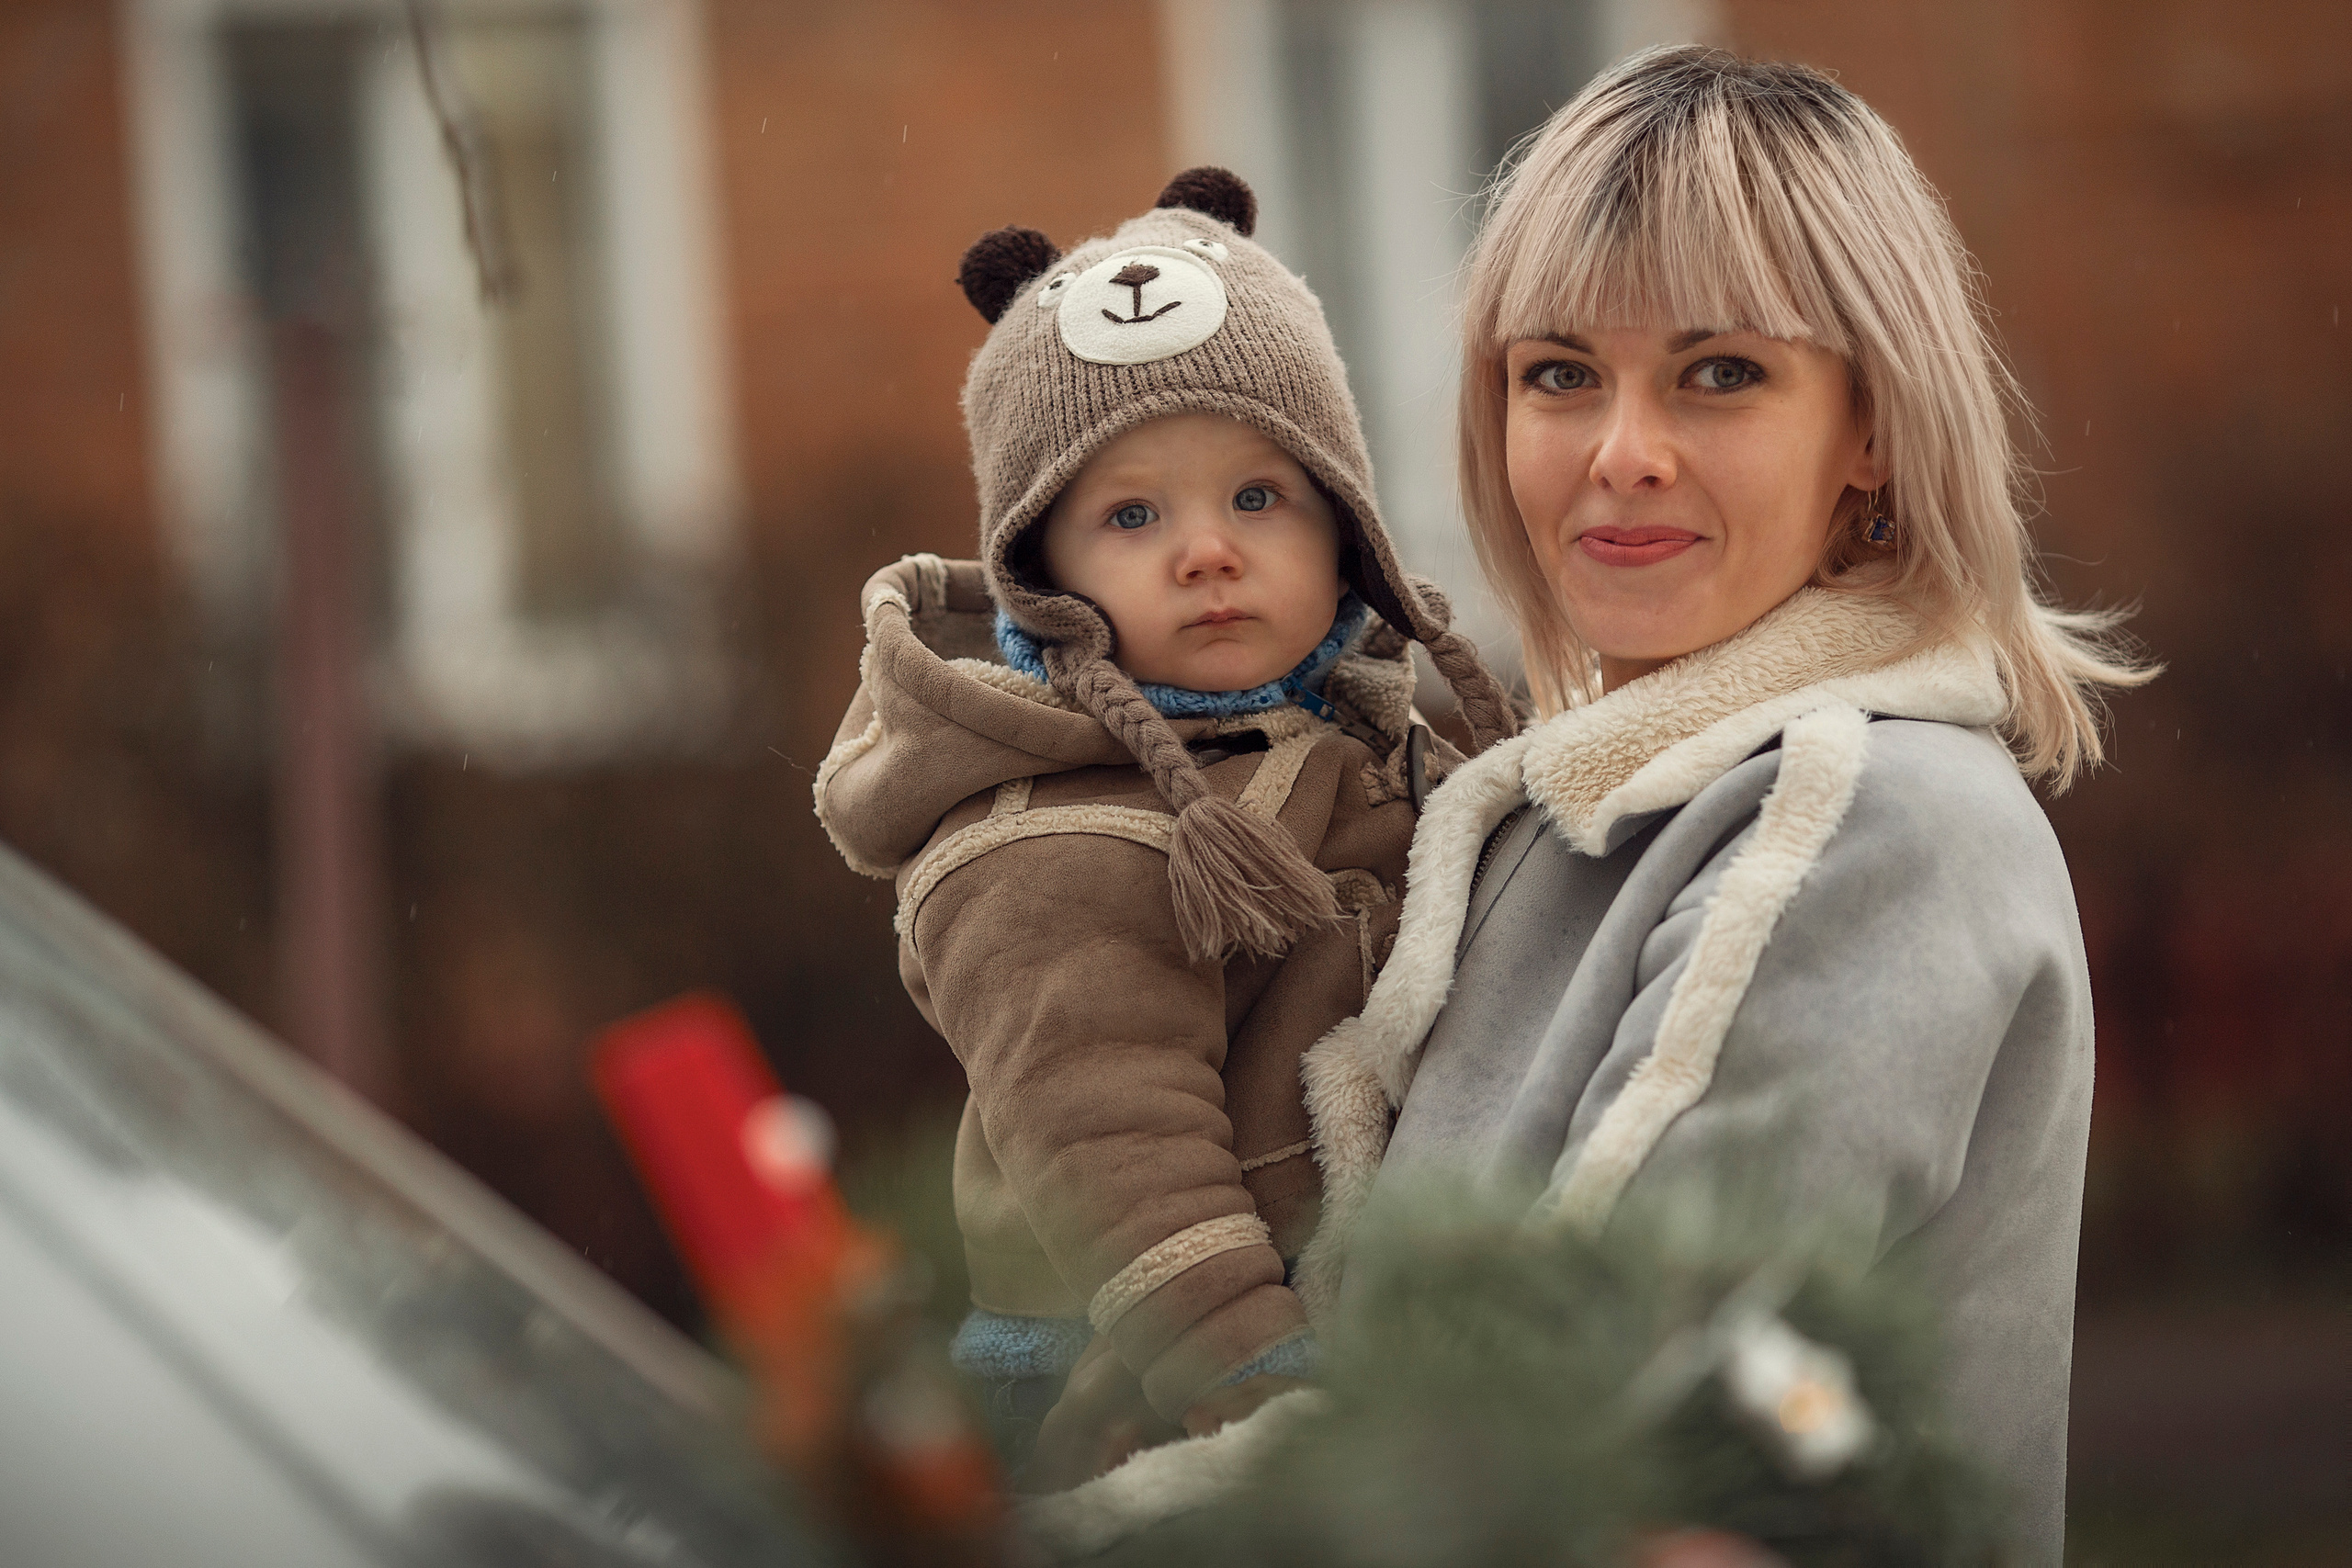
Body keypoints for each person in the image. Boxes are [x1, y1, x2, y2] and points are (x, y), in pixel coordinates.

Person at [1283, 48, 2153, 1566]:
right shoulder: (1582, 802)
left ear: (1870, 425)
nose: (1622, 452)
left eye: (1721, 373)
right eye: (1559, 373)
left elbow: (1581, 1442)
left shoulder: (1864, 819)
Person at [812, 168, 1515, 1481]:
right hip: (1134, 1373)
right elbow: (1107, 1137)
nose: (1207, 551)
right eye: (1133, 515)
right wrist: (1250, 1372)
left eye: (1259, 498)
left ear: (1348, 533)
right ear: (1044, 577)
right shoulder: (1045, 841)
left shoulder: (1346, 735)